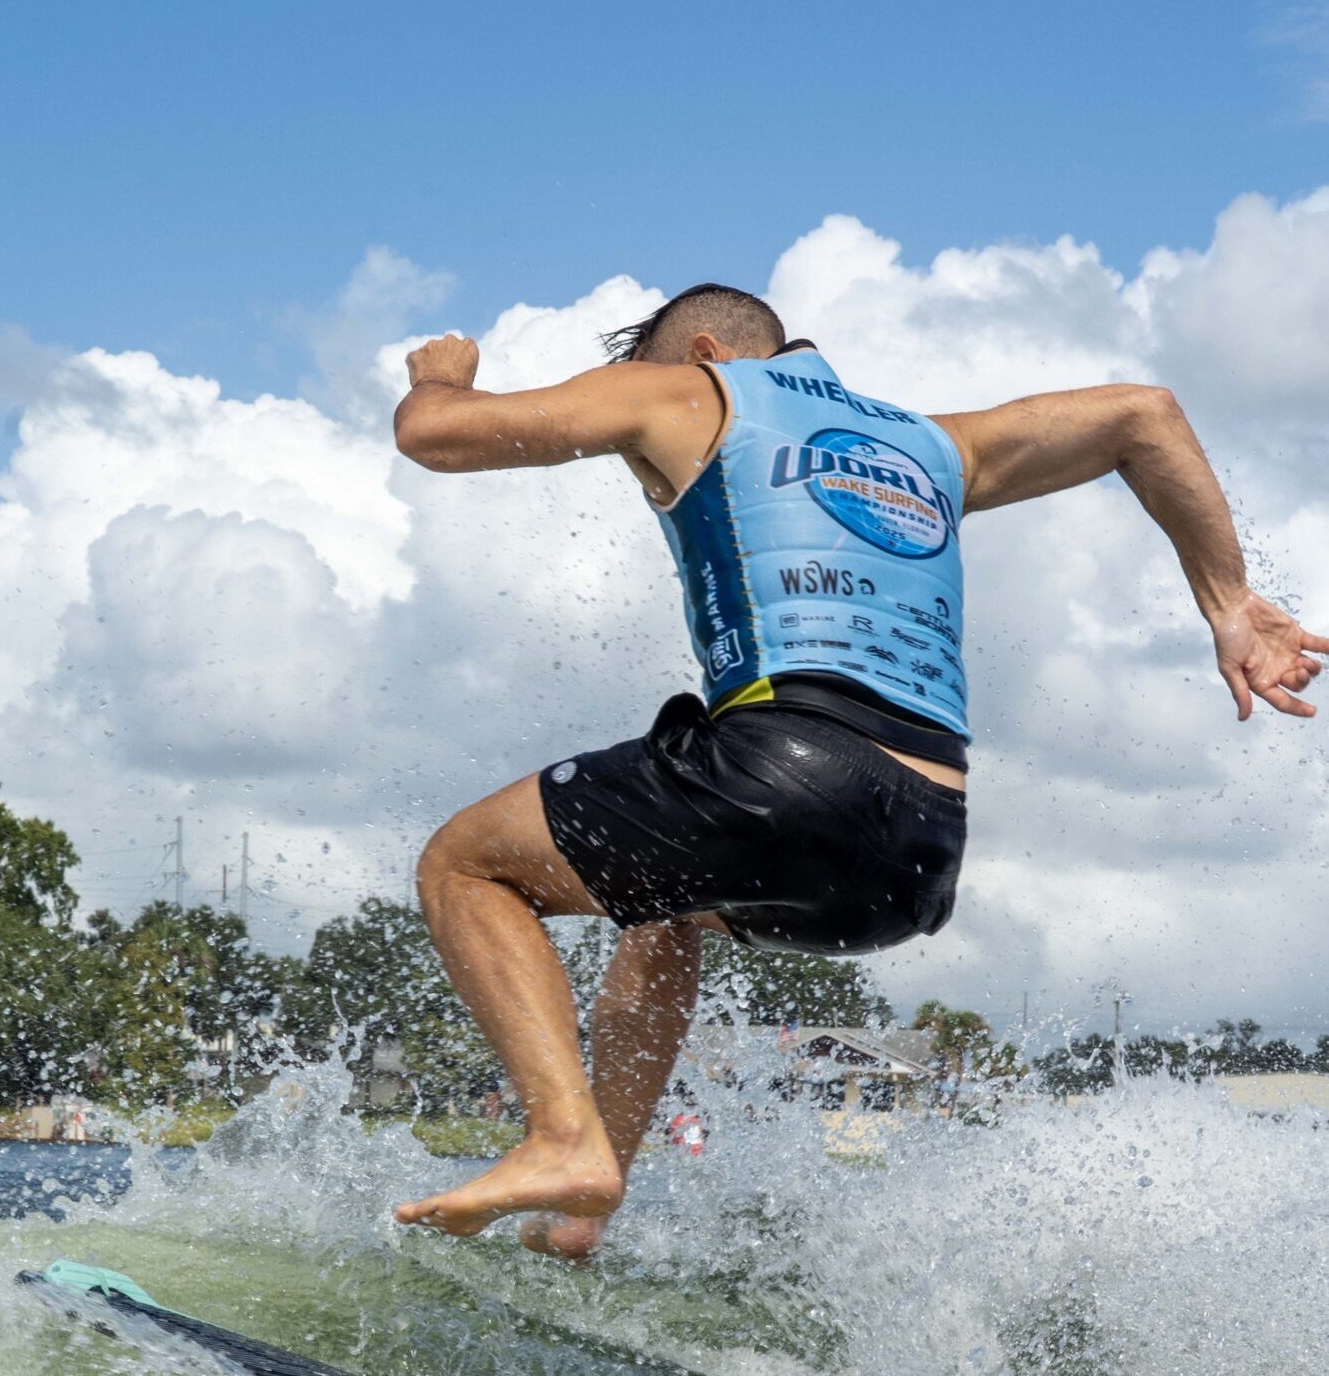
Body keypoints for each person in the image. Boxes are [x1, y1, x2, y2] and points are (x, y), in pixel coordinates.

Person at [391, 282, 1327, 1256]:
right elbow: (1145, 416)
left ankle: (559, 1137)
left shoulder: (692, 393)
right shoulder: (933, 444)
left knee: (463, 866)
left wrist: (442, 379)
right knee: (660, 915)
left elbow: (441, 436)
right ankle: (580, 1215)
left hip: (785, 768)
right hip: (919, 848)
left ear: (706, 352)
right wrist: (1227, 601)